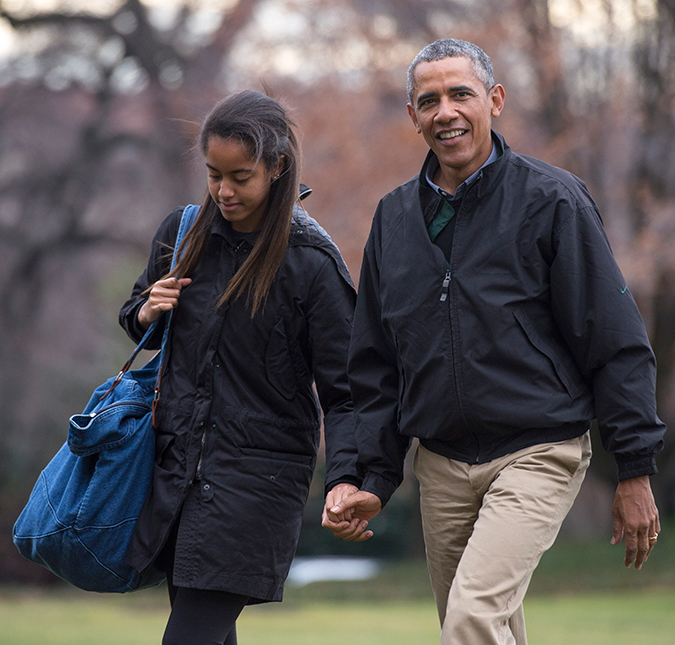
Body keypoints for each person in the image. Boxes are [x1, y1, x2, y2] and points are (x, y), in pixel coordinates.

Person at [322, 39, 666, 644]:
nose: (446, 112)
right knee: (487, 627)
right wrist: (369, 477)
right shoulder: (395, 218)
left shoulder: (553, 199)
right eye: (429, 100)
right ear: (413, 116)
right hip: (443, 463)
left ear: (495, 101)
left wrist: (634, 470)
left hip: (538, 449)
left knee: (472, 620)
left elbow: (614, 339)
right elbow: (374, 367)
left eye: (461, 94)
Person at [119, 90, 361, 645]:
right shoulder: (183, 234)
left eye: (240, 176)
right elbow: (137, 320)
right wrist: (146, 309)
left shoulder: (311, 261)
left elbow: (347, 389)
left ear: (277, 168)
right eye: (213, 174)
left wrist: (347, 476)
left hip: (256, 485)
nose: (224, 191)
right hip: (175, 472)